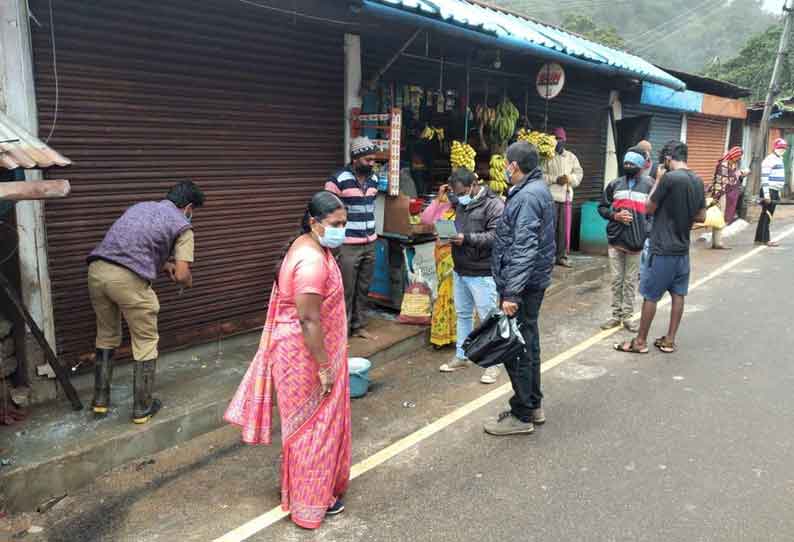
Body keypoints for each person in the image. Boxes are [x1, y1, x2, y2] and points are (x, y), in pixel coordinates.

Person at [225, 191, 352, 530]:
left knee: (308, 428)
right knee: (314, 430)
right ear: (314, 222)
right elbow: (308, 319)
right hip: (304, 356)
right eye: (336, 224)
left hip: (302, 351)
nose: (342, 230)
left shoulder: (310, 246)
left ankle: (304, 492)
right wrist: (325, 366)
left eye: (344, 223)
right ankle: (311, 503)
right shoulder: (310, 261)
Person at [86, 180, 204, 424]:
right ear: (189, 207)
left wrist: (165, 264)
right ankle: (142, 407)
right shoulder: (183, 227)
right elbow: (183, 275)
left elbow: (133, 245)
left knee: (106, 335)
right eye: (194, 212)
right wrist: (186, 281)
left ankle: (99, 402)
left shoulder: (140, 208)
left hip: (97, 271)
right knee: (146, 341)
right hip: (127, 281)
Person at [485, 141, 555, 436]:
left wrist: (511, 293)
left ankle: (522, 413)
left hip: (523, 286)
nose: (504, 168)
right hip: (531, 282)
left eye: (506, 163)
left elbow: (524, 247)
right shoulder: (536, 190)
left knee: (517, 349)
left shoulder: (527, 196)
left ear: (514, 165)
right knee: (528, 342)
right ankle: (532, 405)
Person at [615, 141, 706, 355]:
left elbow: (648, 207)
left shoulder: (668, 178)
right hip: (682, 249)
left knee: (651, 295)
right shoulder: (697, 180)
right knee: (678, 294)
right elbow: (702, 216)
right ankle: (669, 340)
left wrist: (657, 180)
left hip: (661, 247)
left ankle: (640, 341)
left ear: (667, 158)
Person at [421, 168, 505, 385]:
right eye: (455, 193)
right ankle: (462, 355)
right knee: (463, 314)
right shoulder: (459, 201)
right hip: (461, 268)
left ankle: (494, 364)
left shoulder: (493, 204)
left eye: (460, 192)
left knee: (488, 319)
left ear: (472, 186)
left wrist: (465, 238)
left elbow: (497, 236)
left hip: (483, 271)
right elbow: (436, 213)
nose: (458, 197)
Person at [325, 137, 379, 339]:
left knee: (364, 288)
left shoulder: (374, 180)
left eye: (374, 159)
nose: (372, 163)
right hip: (347, 244)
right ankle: (341, 330)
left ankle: (359, 326)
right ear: (355, 159)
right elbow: (326, 211)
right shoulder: (337, 179)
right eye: (367, 159)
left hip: (370, 242)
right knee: (346, 289)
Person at [598, 149, 653, 332]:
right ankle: (616, 316)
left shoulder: (649, 185)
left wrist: (646, 231)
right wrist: (615, 216)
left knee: (630, 281)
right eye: (626, 165)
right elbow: (602, 208)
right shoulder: (614, 185)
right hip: (615, 240)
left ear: (640, 168)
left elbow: (654, 214)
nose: (628, 168)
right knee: (616, 280)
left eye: (632, 166)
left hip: (636, 243)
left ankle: (628, 317)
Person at [543, 127, 583, 268]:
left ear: (565, 140)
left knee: (563, 230)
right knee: (550, 228)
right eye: (556, 138)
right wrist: (555, 179)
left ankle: (562, 256)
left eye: (561, 139)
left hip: (566, 197)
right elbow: (541, 175)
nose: (559, 141)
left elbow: (579, 174)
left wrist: (569, 178)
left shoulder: (571, 157)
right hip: (551, 197)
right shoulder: (547, 156)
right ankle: (548, 257)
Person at [708, 146, 744, 250]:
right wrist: (739, 174)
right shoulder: (723, 164)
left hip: (729, 195)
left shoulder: (732, 164)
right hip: (722, 194)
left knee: (722, 218)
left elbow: (733, 179)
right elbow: (724, 181)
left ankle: (717, 242)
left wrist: (739, 175)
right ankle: (717, 242)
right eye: (738, 156)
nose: (739, 159)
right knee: (720, 218)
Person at [754, 138, 787, 247]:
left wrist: (779, 192)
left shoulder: (779, 159)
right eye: (780, 147)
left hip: (775, 190)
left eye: (784, 148)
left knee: (765, 215)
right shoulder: (770, 159)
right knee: (767, 215)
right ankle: (765, 239)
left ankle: (759, 238)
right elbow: (764, 178)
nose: (782, 149)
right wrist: (767, 194)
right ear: (775, 147)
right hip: (769, 190)